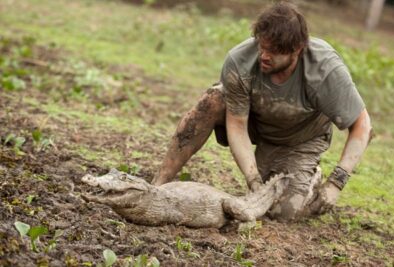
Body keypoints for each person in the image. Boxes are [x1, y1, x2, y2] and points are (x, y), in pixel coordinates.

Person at [151, 2, 372, 221]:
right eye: (262, 46)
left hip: (300, 139)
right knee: (213, 100)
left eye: (273, 51)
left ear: (297, 50)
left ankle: (311, 178)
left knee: (280, 213)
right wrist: (253, 178)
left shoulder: (325, 69)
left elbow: (362, 125)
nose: (264, 56)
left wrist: (336, 183)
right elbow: (237, 124)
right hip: (257, 123)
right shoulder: (240, 60)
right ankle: (158, 183)